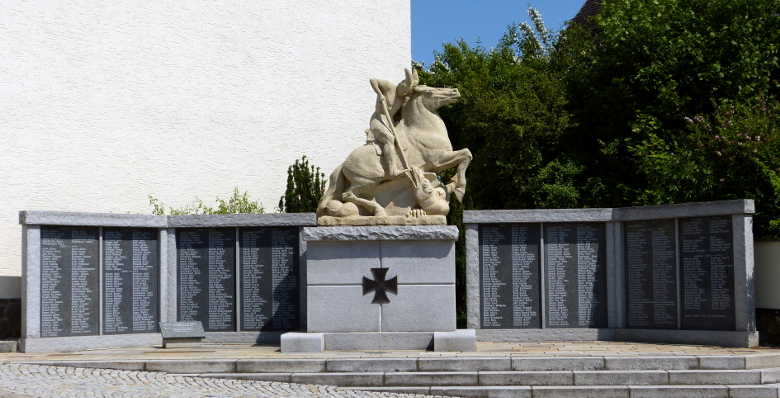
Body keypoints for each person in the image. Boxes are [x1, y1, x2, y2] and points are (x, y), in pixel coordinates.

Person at [365, 71, 414, 179]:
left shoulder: (402, 99)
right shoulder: (389, 87)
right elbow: (373, 80)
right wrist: (379, 93)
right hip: (378, 119)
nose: (403, 91)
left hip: (390, 121)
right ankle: (392, 170)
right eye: (403, 87)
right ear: (402, 84)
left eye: (405, 91)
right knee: (389, 138)